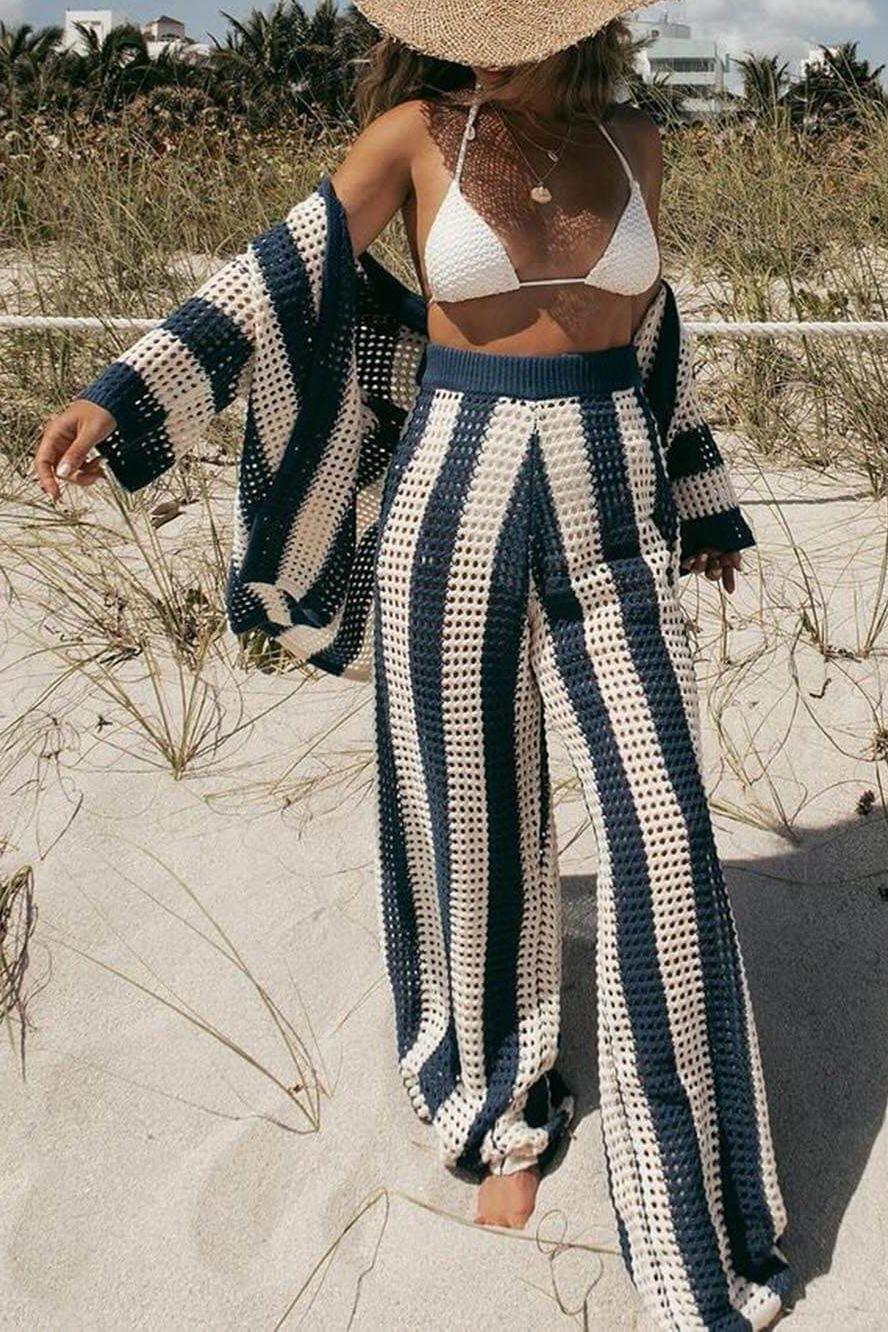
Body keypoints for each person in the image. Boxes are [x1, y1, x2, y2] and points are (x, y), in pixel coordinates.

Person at [33, 3, 794, 1327]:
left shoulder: (637, 142)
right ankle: (504, 1118)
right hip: (452, 503)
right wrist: (123, 392)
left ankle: (695, 1201)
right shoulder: (416, 133)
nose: (487, 36)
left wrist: (704, 498)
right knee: (473, 825)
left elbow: (655, 341)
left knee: (669, 843)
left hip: (613, 514)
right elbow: (276, 277)